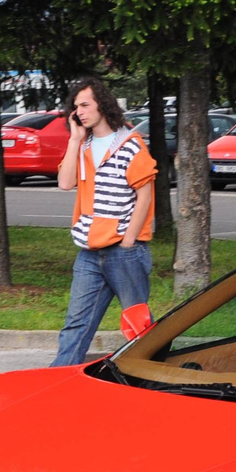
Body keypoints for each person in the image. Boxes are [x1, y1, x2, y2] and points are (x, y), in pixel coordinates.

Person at [50, 77, 158, 367]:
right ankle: (58, 384)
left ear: (103, 105)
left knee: (139, 326)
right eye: (76, 107)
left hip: (124, 253)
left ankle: (155, 377)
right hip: (89, 253)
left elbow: (144, 196)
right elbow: (65, 182)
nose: (80, 112)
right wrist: (74, 139)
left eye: (86, 105)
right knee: (76, 324)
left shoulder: (129, 145)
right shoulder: (82, 146)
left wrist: (128, 241)